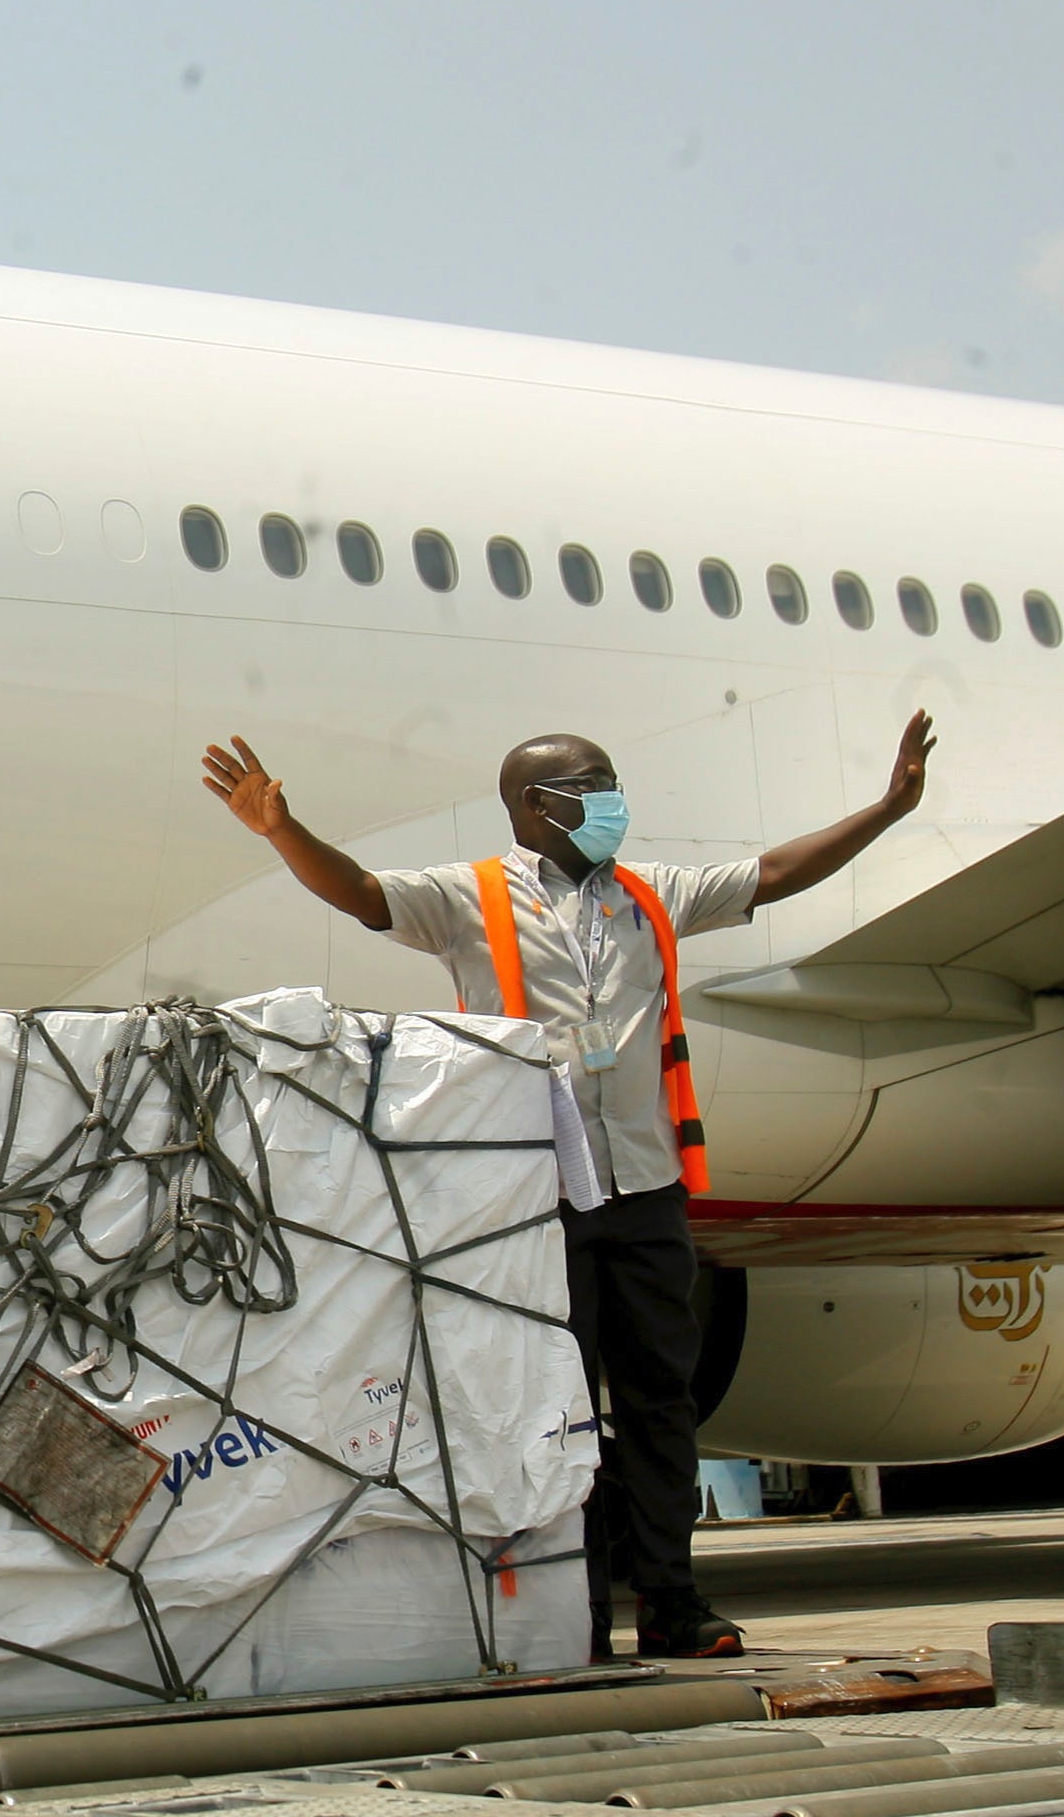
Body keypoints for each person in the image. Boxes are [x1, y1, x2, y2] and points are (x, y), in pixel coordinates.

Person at [201, 712, 937, 1663]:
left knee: (662, 1399)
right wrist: (283, 831)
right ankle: (576, 1617)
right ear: (533, 805)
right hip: (539, 1198)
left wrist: (887, 809)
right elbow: (364, 896)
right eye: (589, 786)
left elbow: (776, 874)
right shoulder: (471, 898)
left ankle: (675, 1600)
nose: (610, 801)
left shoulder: (651, 892)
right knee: (555, 1407)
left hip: (645, 1189)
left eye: (611, 781)